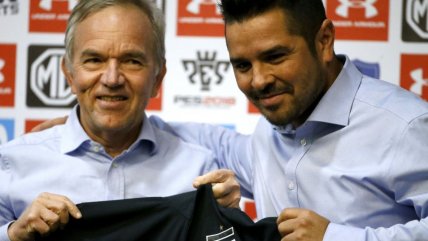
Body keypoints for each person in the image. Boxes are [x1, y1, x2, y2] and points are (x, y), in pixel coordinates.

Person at [32, 0, 428, 240]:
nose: (258, 80)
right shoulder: (270, 132)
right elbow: (199, 137)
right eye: (242, 64)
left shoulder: (405, 126)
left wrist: (335, 238)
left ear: (324, 40)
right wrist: (93, 122)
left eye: (275, 56)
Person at [0, 1, 240, 241]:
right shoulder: (11, 164)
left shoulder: (199, 170)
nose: (112, 78)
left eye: (132, 61)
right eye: (94, 60)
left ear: (158, 77)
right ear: (69, 74)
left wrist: (226, 217)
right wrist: (13, 235)